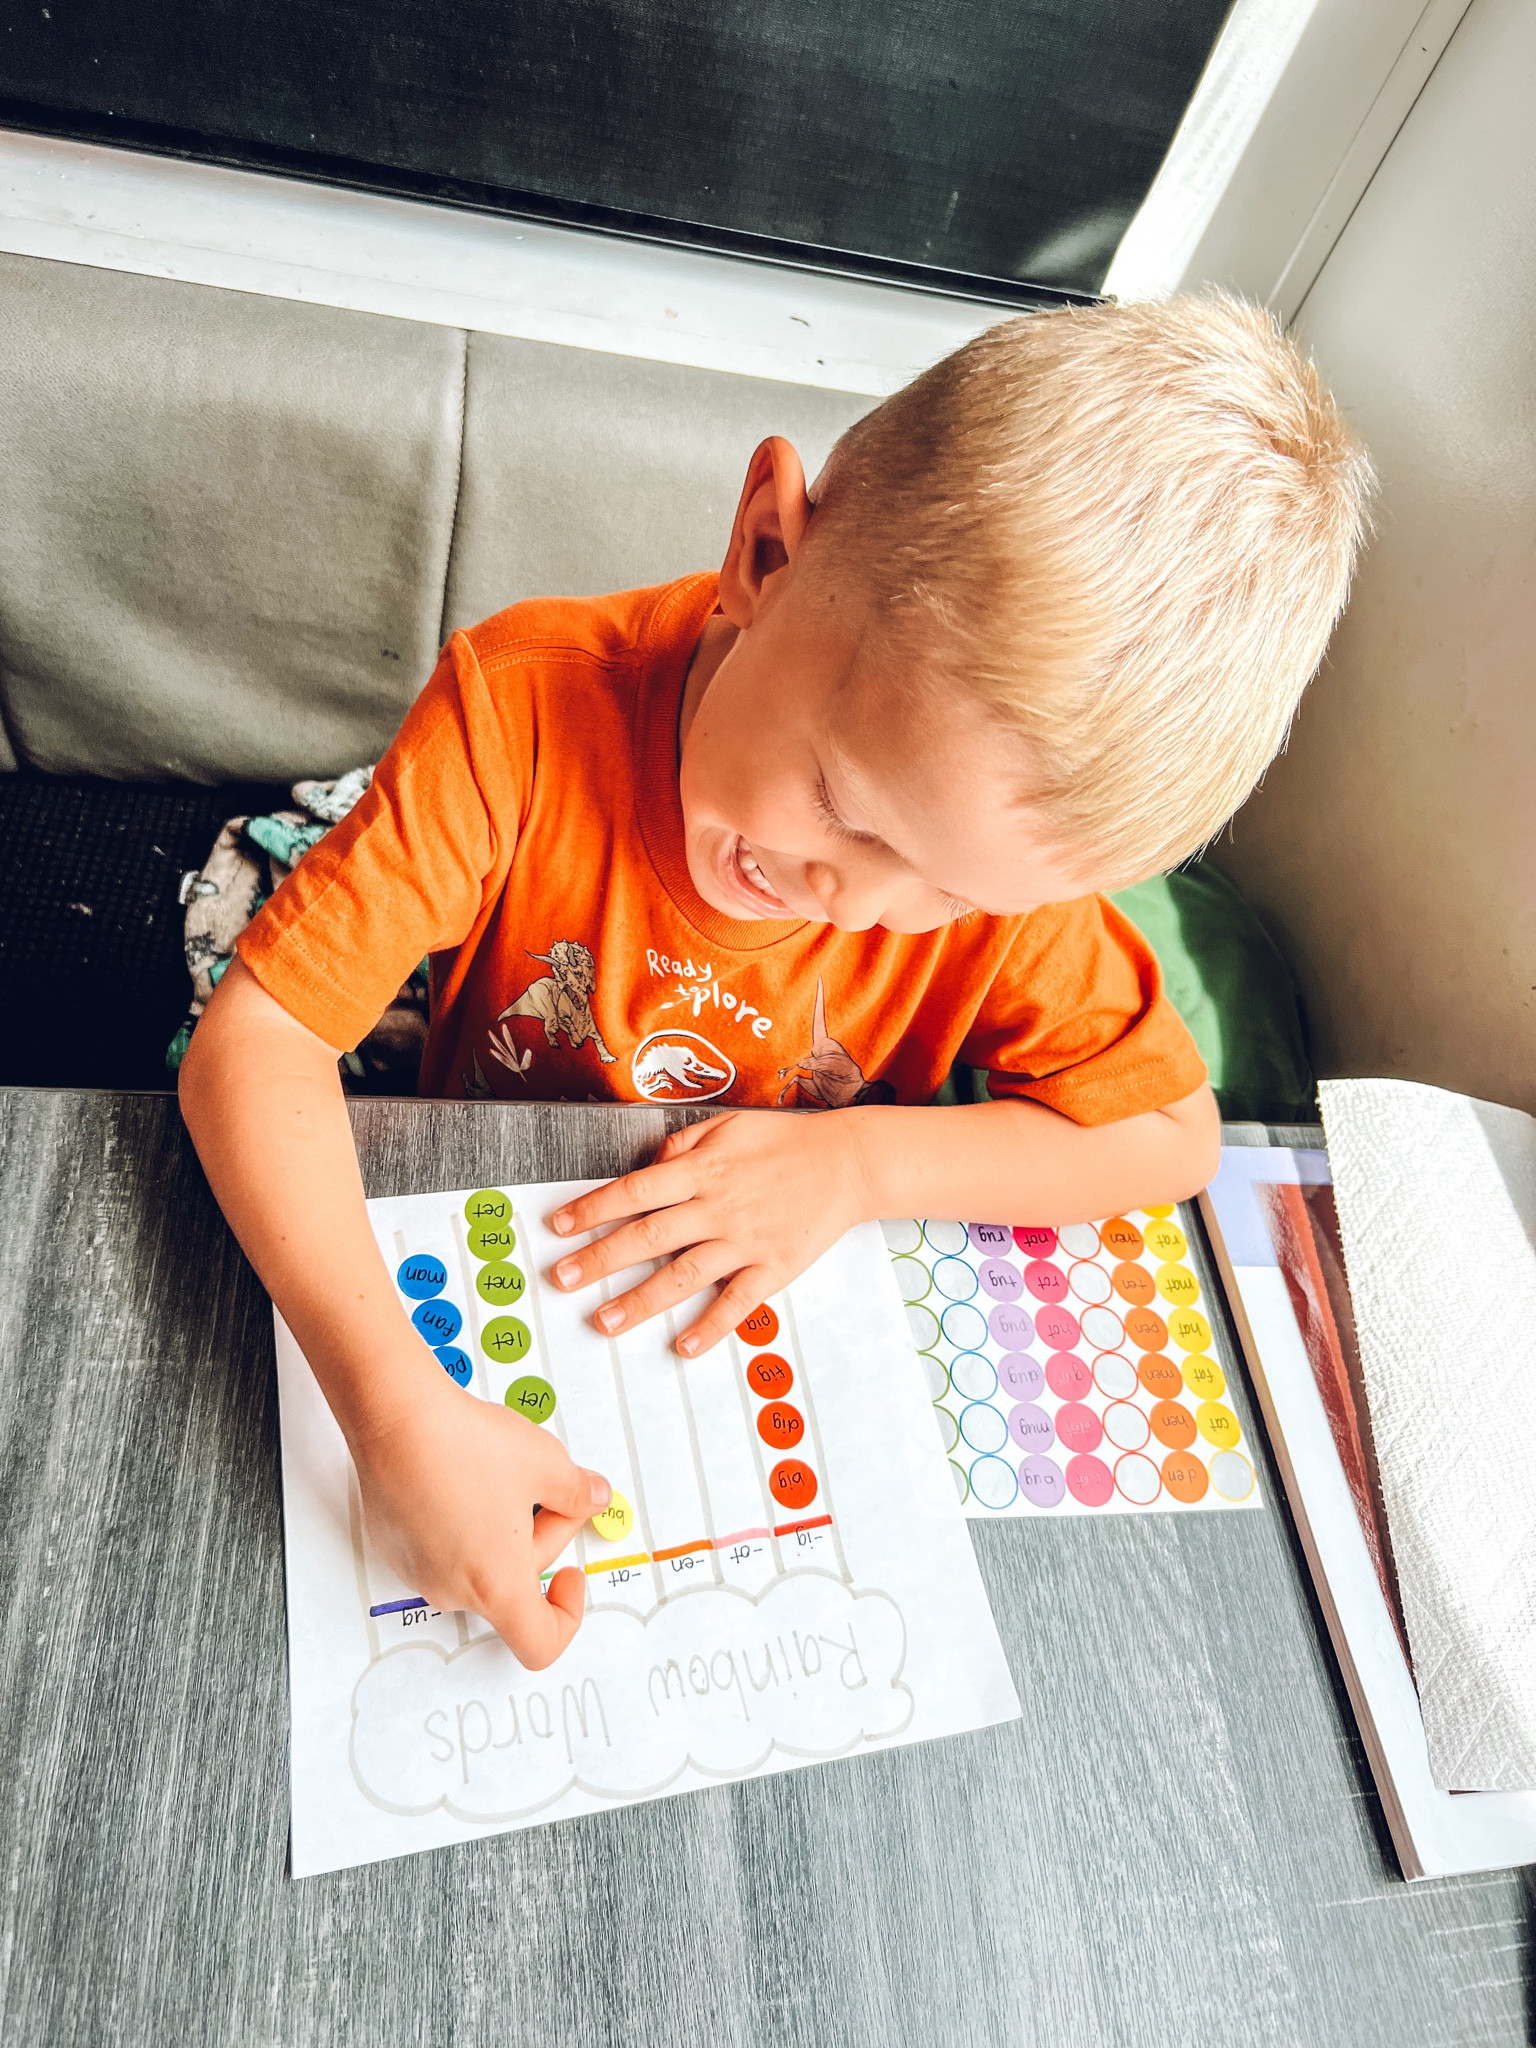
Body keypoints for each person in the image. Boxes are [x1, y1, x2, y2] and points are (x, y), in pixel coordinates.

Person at [179, 291, 1372, 1669]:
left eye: (956, 893)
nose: (860, 901)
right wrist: (391, 1411)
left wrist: (862, 1171)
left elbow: (1170, 1137)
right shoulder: (519, 712)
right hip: (468, 1216)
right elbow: (255, 1044)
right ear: (763, 549)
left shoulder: (986, 898)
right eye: (844, 802)